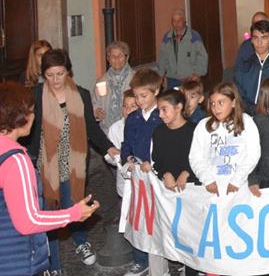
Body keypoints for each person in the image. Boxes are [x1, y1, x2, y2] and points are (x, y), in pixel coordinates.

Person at [27, 49, 119, 271]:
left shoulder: (81, 94)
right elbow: (29, 130)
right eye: (50, 75)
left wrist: (109, 147)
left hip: (73, 163)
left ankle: (81, 241)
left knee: (73, 205)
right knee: (47, 212)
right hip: (44, 164)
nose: (56, 80)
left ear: (67, 71)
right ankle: (52, 263)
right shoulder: (36, 94)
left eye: (60, 74)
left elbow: (91, 129)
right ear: (43, 74)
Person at [0, 83, 100, 276]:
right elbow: (28, 220)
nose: (34, 115)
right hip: (16, 260)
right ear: (21, 116)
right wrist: (74, 213)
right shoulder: (16, 160)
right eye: (32, 110)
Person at [150, 89, 200, 276]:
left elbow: (201, 161)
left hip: (192, 192)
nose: (160, 115)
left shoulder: (194, 131)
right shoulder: (159, 132)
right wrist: (166, 173)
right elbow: (157, 160)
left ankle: (192, 270)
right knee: (168, 232)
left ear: (178, 107)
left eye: (164, 109)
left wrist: (187, 173)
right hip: (169, 194)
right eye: (159, 110)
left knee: (191, 234)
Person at [120, 68, 163, 276]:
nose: (138, 100)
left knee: (158, 218)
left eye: (143, 96)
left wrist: (154, 164)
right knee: (138, 218)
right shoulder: (134, 118)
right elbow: (126, 142)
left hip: (156, 174)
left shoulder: (162, 115)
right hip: (137, 175)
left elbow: (166, 145)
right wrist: (127, 157)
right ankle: (140, 258)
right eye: (136, 96)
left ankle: (161, 261)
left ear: (156, 91)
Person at [188, 82, 261, 197]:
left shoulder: (246, 122)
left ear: (233, 102)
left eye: (221, 103)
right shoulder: (203, 126)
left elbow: (253, 154)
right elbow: (195, 157)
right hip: (210, 188)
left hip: (239, 188)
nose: (216, 108)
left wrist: (236, 181)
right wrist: (207, 180)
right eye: (212, 103)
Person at [234, 19, 269, 113]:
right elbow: (238, 94)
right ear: (251, 40)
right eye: (256, 38)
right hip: (247, 116)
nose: (259, 42)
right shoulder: (244, 66)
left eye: (264, 37)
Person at [156, 9, 208, 88]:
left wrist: (198, 73)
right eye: (174, 21)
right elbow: (163, 57)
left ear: (184, 21)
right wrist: (161, 75)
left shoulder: (194, 36)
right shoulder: (167, 37)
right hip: (172, 79)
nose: (176, 24)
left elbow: (202, 57)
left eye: (179, 21)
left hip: (190, 79)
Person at [92, 40, 135, 131]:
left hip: (130, 126)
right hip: (107, 128)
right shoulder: (102, 81)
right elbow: (95, 102)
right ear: (108, 59)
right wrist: (97, 111)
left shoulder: (136, 79)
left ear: (127, 58)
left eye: (120, 56)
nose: (116, 59)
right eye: (113, 56)